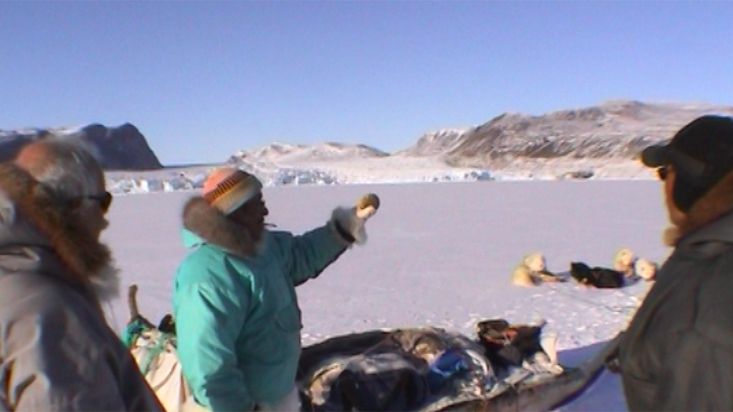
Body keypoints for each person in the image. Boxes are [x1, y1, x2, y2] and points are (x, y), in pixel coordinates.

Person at [173, 167, 379, 411]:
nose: (265, 211)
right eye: (257, 203)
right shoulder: (207, 275)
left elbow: (303, 254)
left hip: (279, 398)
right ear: (234, 210)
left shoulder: (263, 247)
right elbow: (208, 365)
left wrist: (348, 224)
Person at [0, 138, 163, 411]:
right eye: (102, 202)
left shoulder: (15, 283)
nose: (104, 220)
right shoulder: (48, 313)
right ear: (71, 205)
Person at [617, 115, 733, 410]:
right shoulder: (708, 253)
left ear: (692, 182)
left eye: (665, 172)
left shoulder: (700, 310)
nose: (664, 184)